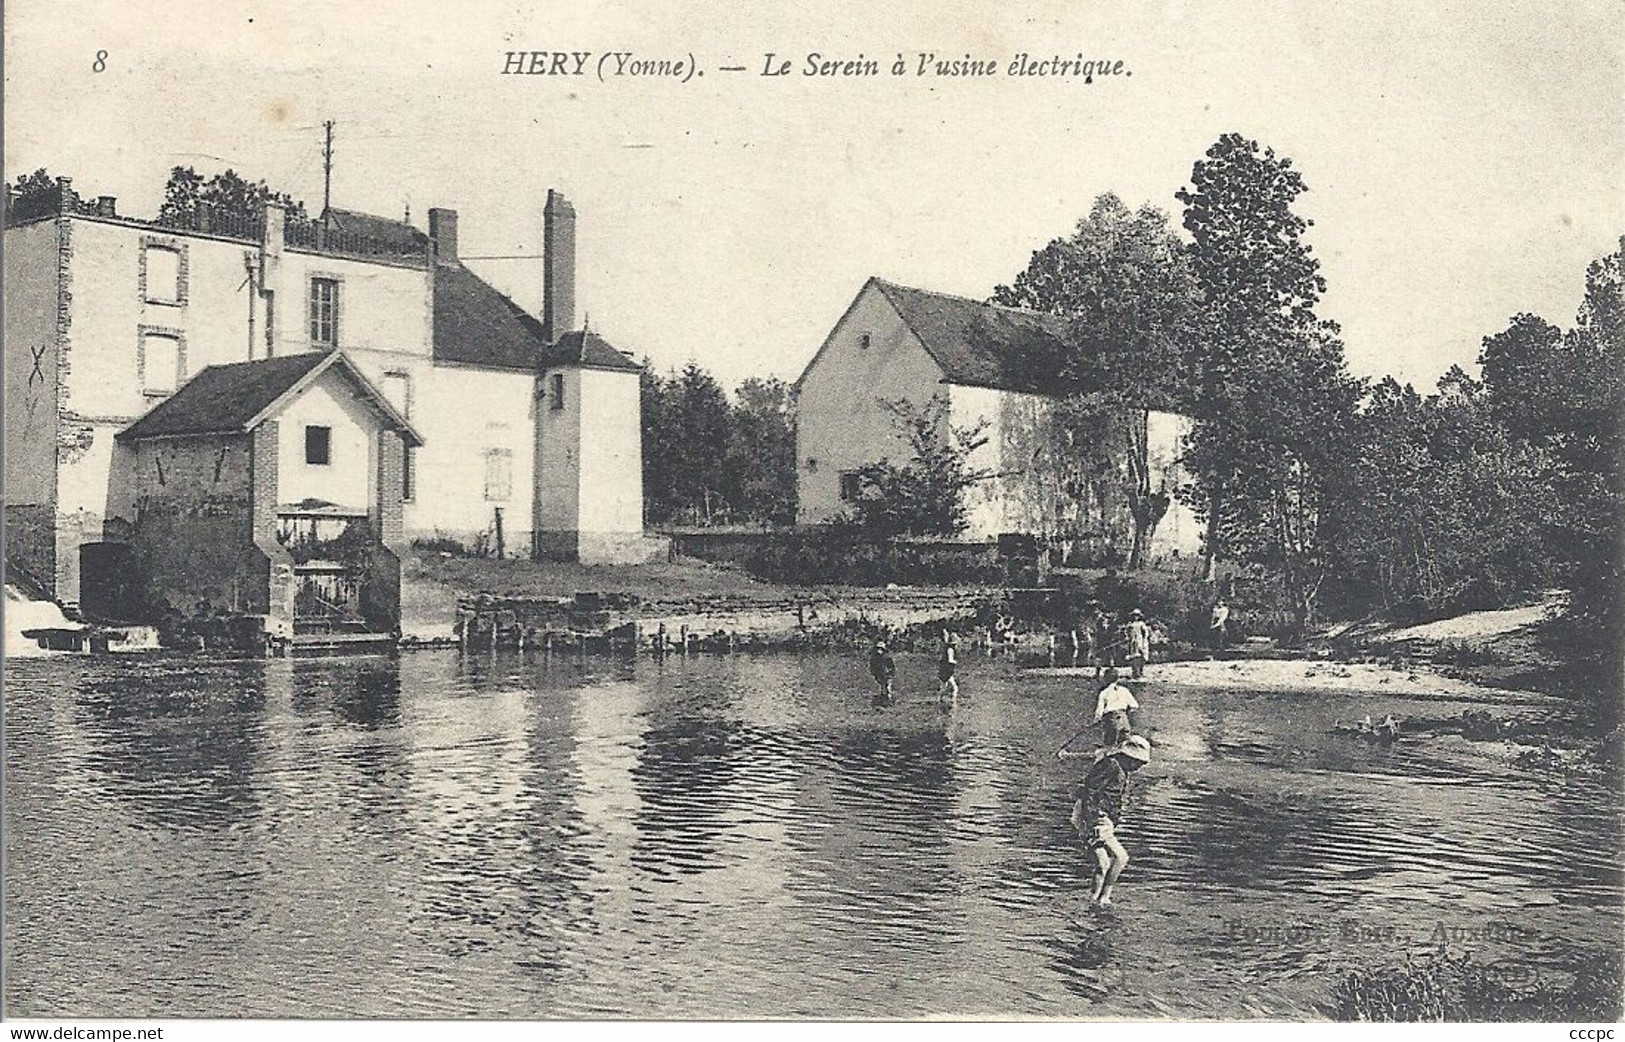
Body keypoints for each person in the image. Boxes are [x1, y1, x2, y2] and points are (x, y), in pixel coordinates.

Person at [1063, 735, 1152, 907]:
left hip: (1100, 818)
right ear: (1129, 757)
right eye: (1138, 763)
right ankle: (1105, 897)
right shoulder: (1110, 765)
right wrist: (1093, 821)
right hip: (1095, 817)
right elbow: (1090, 792)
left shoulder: (1120, 768)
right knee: (1121, 857)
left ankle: (1094, 899)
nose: (1139, 767)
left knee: (1103, 863)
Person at [1093, 667, 1139, 745]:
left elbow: (1099, 711)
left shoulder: (1104, 693)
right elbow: (1134, 705)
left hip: (1110, 718)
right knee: (1125, 740)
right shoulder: (1124, 690)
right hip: (1123, 717)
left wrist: (1097, 719)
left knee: (1109, 740)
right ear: (1117, 679)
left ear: (1105, 679)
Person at [1124, 608, 1152, 679]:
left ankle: (1140, 671)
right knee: (1133, 656)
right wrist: (1127, 637)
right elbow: (1126, 632)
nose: (1135, 617)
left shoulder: (1141, 624)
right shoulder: (1130, 624)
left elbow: (1146, 633)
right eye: (1134, 615)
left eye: (1137, 615)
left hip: (1140, 641)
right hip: (1132, 642)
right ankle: (1135, 672)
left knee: (1141, 656)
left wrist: (1144, 640)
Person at [937, 630, 959, 700]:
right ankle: (953, 700)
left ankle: (940, 700)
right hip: (947, 670)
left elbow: (940, 659)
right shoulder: (950, 649)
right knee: (954, 687)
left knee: (944, 687)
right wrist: (955, 662)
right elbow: (950, 660)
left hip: (943, 669)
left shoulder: (945, 649)